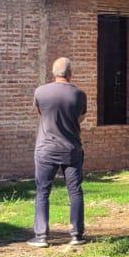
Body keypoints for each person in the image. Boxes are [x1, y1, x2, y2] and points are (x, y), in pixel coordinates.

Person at [29, 57, 86, 247]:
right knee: (75, 191)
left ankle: (41, 236)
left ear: (53, 73)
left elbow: (41, 113)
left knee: (43, 192)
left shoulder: (40, 92)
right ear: (70, 73)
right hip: (71, 148)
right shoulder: (79, 94)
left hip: (46, 149)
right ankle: (77, 235)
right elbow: (81, 117)